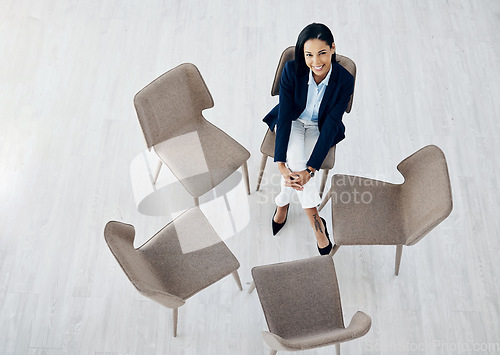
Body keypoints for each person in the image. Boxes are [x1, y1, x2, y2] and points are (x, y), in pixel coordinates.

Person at [262, 23, 354, 255]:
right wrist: (281, 165)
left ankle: (282, 202)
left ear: (333, 48)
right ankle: (317, 227)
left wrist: (311, 169)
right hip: (293, 121)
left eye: (322, 53)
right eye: (309, 55)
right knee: (295, 164)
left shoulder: (344, 80)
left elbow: (332, 124)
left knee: (302, 168)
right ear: (302, 54)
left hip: (319, 127)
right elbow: (283, 116)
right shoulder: (292, 70)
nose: (316, 61)